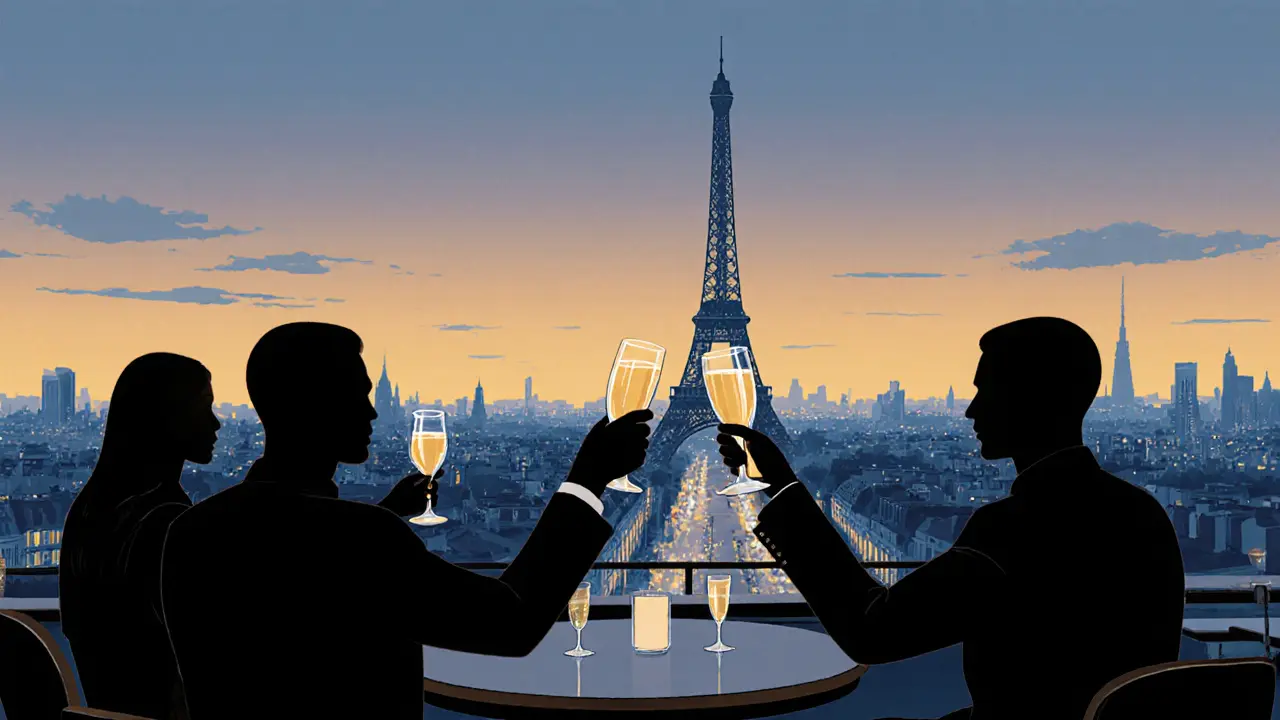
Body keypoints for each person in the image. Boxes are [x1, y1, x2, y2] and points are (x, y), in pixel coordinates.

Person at [160, 322, 651, 720]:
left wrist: (382, 515)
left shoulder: (192, 532)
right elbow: (512, 623)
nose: (374, 412)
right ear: (317, 404)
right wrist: (586, 480)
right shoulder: (363, 540)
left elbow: (294, 581)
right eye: (358, 394)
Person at [715, 317, 1185, 720]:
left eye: (987, 391)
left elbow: (871, 631)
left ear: (1030, 400)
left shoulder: (1009, 530)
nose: (971, 409)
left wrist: (783, 486)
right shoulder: (1143, 514)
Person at [60, 353, 222, 720]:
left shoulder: (93, 512)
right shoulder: (165, 525)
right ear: (167, 416)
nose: (215, 424)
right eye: (203, 407)